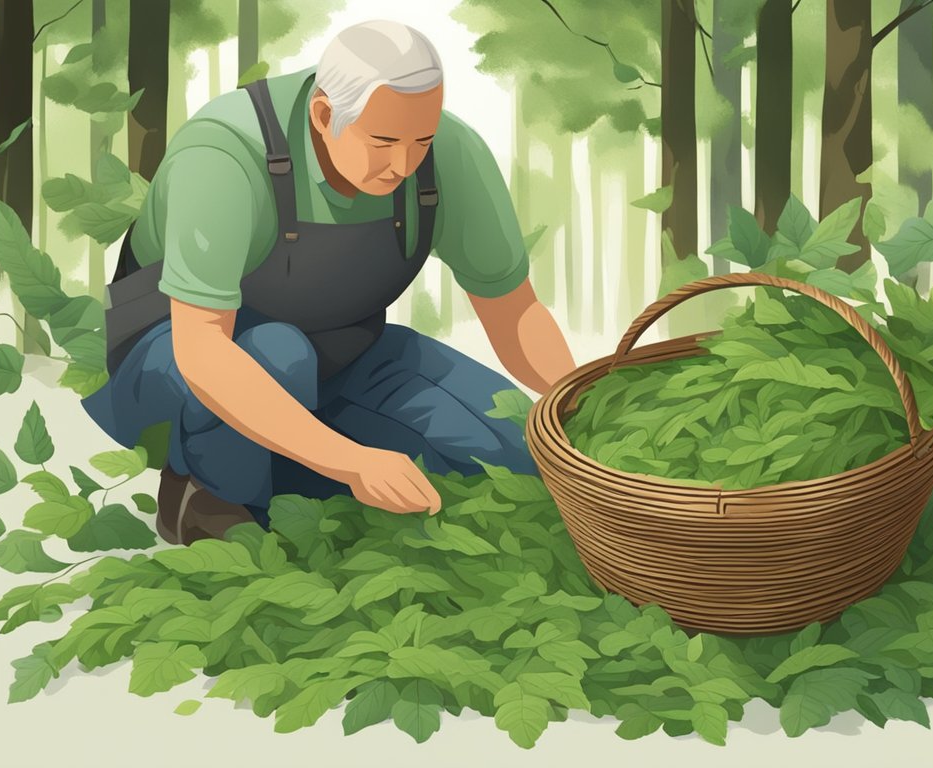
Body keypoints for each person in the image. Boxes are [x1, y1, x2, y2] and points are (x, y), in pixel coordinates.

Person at [80, 20, 577, 545]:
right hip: (177, 352)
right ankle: (209, 495)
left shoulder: (450, 152)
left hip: (345, 346)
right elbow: (202, 347)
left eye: (421, 140)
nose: (404, 165)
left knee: (520, 453)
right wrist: (351, 462)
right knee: (278, 352)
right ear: (323, 115)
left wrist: (585, 400)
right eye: (382, 141)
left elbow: (514, 310)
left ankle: (300, 467)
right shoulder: (224, 152)